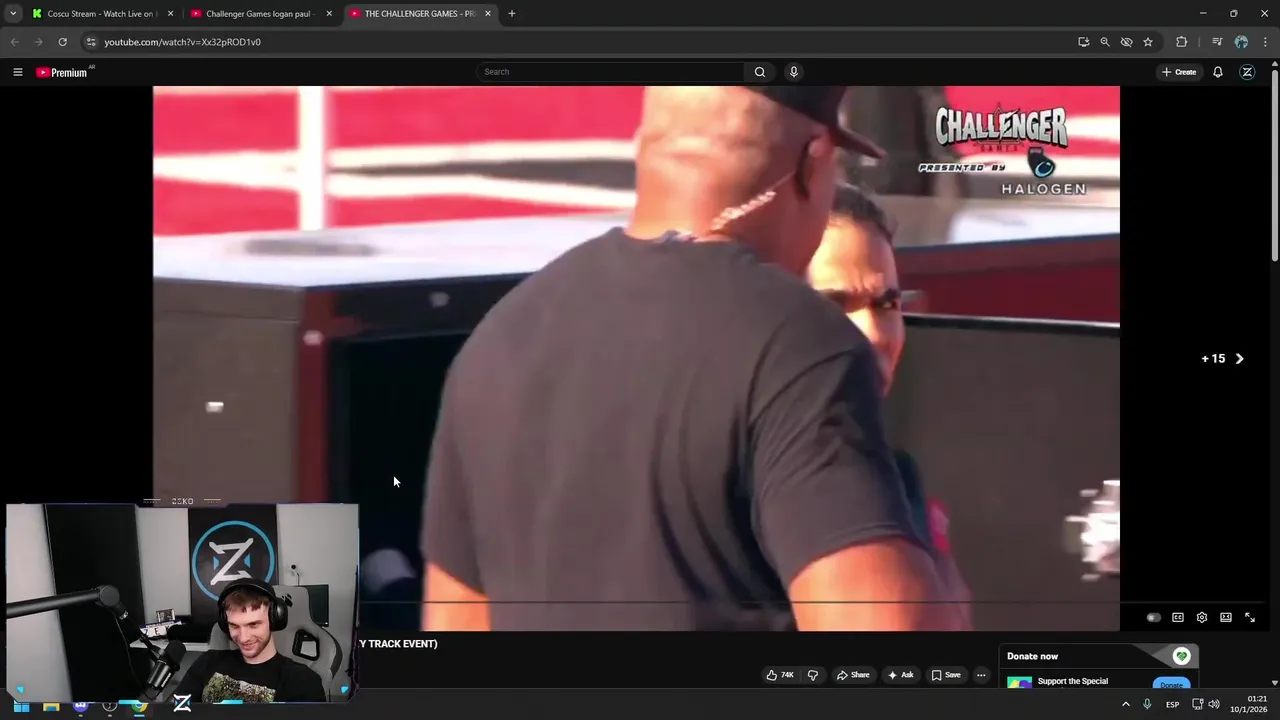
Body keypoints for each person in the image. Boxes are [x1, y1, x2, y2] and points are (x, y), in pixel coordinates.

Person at [423, 86, 968, 631]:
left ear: (649, 146)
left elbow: (453, 626)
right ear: (812, 163)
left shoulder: (499, 337)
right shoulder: (798, 341)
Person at [808, 183, 971, 626]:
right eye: (836, 304)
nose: (875, 333)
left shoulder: (900, 482)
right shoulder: (732, 488)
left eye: (886, 304)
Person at [173, 580, 327, 703]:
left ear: (274, 620)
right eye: (234, 626)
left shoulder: (303, 680)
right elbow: (178, 710)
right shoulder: (207, 661)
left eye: (253, 625)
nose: (243, 638)